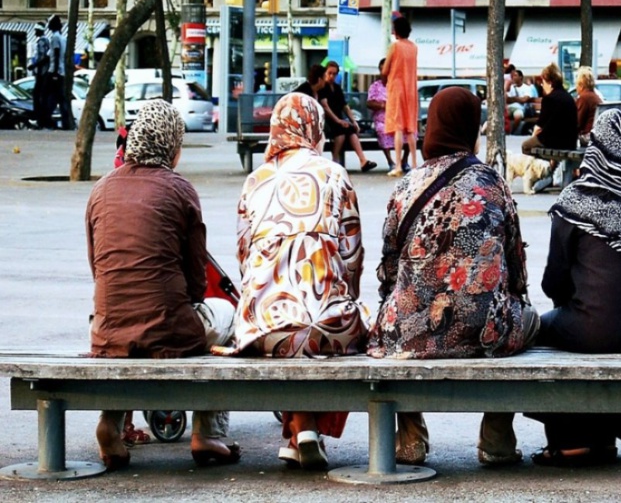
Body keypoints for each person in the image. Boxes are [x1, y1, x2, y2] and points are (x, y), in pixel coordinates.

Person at [369, 87, 540, 467]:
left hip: (411, 330)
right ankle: (497, 434)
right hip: (482, 331)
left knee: (394, 320)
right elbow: (516, 271)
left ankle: (410, 433)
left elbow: (388, 271)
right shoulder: (491, 183)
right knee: (525, 320)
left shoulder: (406, 186)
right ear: (470, 127)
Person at [211, 93, 371, 470]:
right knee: (333, 322)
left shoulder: (255, 180)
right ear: (314, 127)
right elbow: (352, 257)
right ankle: (306, 427)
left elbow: (243, 257)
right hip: (327, 325)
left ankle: (298, 429)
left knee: (288, 331)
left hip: (260, 326)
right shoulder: (334, 173)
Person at [87, 100, 240, 471]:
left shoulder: (100, 191)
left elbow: (98, 267)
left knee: (123, 330)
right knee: (228, 315)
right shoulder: (180, 190)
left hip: (107, 331)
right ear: (171, 145)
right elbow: (196, 282)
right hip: (169, 330)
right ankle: (208, 431)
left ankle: (110, 423)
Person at [526, 108, 621, 467]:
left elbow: (553, 280)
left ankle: (571, 440)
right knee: (597, 328)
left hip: (593, 325)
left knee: (541, 333)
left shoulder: (576, 198)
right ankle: (605, 437)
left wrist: (580, 301)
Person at [521, 63, 578, 193]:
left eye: (544, 82)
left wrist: (533, 137)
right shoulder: (568, 97)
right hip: (570, 141)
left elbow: (539, 126)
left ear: (550, 82)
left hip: (552, 140)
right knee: (544, 148)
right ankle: (548, 170)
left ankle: (543, 172)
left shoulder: (549, 99)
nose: (542, 85)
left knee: (526, 145)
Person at [318, 60, 377, 172]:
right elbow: (325, 106)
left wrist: (353, 121)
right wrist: (338, 121)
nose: (331, 76)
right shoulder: (322, 87)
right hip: (328, 120)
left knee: (351, 129)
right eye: (329, 73)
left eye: (334, 74)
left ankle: (363, 160)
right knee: (340, 131)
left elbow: (345, 106)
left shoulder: (336, 87)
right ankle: (335, 159)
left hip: (338, 119)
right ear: (325, 72)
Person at [383, 15, 419, 177]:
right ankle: (414, 164)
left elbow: (385, 69)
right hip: (411, 89)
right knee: (410, 127)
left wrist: (385, 80)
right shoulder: (414, 47)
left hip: (396, 88)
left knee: (398, 126)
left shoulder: (395, 47)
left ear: (396, 31)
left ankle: (398, 165)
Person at [367, 58, 410, 173]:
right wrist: (383, 105)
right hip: (383, 120)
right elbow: (369, 103)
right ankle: (391, 162)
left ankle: (404, 161)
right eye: (383, 70)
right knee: (382, 129)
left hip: (399, 118)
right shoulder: (375, 86)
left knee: (411, 130)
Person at [46, 15, 73, 130]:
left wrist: (55, 73)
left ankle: (47, 120)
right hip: (60, 71)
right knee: (59, 98)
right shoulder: (62, 38)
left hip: (54, 71)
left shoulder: (55, 38)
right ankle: (64, 121)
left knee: (50, 96)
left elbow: (56, 54)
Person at [27, 21, 51, 129]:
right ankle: (41, 119)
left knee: (38, 96)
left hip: (42, 72)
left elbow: (44, 57)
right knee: (41, 96)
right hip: (43, 72)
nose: (34, 32)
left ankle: (38, 119)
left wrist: (34, 66)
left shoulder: (41, 42)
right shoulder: (46, 41)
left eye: (36, 30)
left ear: (39, 31)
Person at [505, 68, 538, 135]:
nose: (513, 77)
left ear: (521, 77)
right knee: (502, 115)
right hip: (509, 107)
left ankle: (512, 132)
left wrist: (514, 98)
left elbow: (524, 100)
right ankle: (505, 131)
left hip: (520, 108)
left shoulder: (526, 88)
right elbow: (507, 99)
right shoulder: (511, 87)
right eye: (513, 76)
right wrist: (518, 99)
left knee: (518, 116)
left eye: (515, 75)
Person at [574, 66, 601, 146]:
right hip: (597, 137)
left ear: (581, 85)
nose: (576, 88)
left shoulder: (584, 98)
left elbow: (578, 123)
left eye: (577, 84)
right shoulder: (596, 97)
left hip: (587, 138)